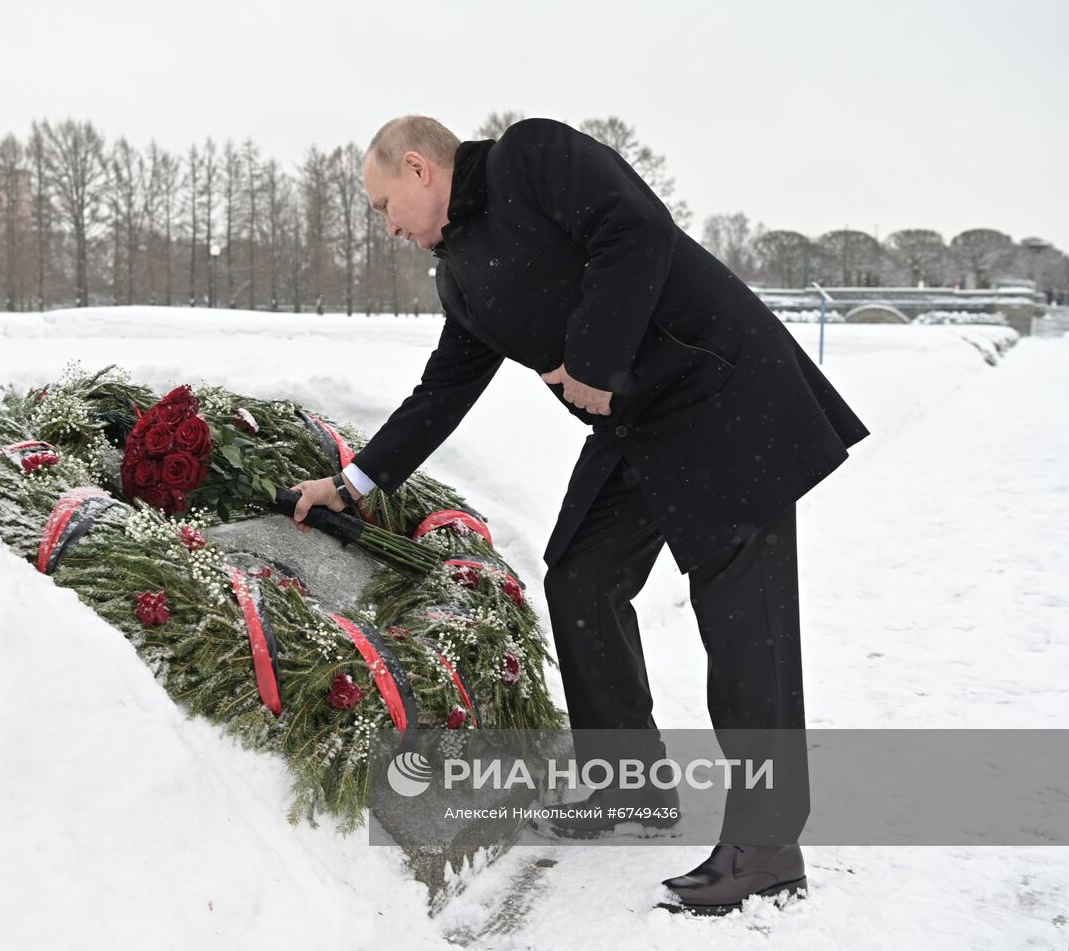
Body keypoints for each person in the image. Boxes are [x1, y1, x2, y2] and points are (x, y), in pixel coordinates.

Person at [288, 114, 869, 915]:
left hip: (721, 392)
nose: (385, 225)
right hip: (642, 425)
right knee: (581, 575)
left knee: (745, 620)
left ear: (419, 169)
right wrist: (353, 480)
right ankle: (628, 783)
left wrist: (593, 359)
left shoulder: (532, 158)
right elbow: (444, 389)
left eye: (384, 204)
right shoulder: (459, 273)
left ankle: (768, 845)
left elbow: (636, 230)